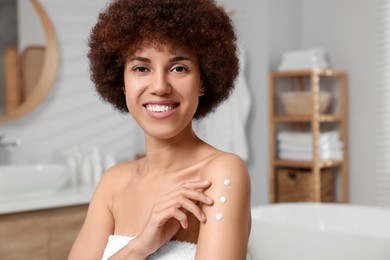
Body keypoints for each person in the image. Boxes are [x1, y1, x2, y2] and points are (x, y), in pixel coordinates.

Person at [68, 0, 251, 259]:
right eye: (141, 68)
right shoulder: (113, 183)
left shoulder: (220, 174)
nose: (160, 86)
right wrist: (142, 245)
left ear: (203, 81)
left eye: (179, 68)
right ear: (122, 82)